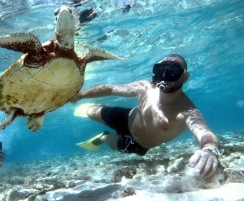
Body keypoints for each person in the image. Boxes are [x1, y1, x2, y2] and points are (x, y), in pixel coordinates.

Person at [71, 54, 220, 178]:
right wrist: (81, 95)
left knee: (109, 141)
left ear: (185, 77)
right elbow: (110, 89)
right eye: (161, 69)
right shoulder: (145, 87)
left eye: (173, 71)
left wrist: (209, 150)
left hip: (137, 144)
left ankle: (103, 136)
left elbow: (205, 133)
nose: (165, 76)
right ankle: (100, 109)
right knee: (90, 112)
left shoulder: (187, 111)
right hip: (126, 117)